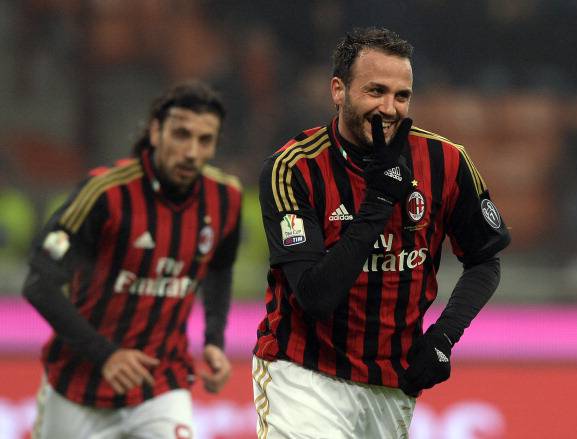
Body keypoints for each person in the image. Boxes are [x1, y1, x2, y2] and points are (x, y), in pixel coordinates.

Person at [253, 27, 510, 438]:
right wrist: (379, 201)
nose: (389, 108)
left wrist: (444, 337)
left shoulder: (446, 161)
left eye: (401, 95)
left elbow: (485, 260)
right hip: (304, 375)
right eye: (375, 91)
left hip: (391, 384)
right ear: (338, 90)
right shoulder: (293, 168)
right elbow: (315, 297)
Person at [22, 80, 242, 438]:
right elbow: (39, 283)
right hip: (78, 384)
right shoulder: (105, 193)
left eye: (205, 140)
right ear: (155, 132)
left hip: (161, 383)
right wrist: (106, 354)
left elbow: (219, 268)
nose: (192, 152)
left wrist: (214, 340)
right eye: (181, 135)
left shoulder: (225, 198)